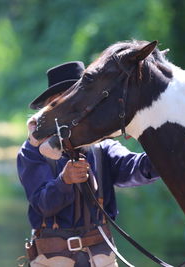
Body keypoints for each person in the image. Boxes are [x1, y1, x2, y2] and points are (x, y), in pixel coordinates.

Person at [17, 61, 160, 267]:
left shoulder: (103, 148)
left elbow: (139, 169)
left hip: (101, 260)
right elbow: (43, 205)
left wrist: (157, 142)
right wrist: (64, 182)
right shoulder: (32, 151)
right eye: (63, 101)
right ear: (52, 108)